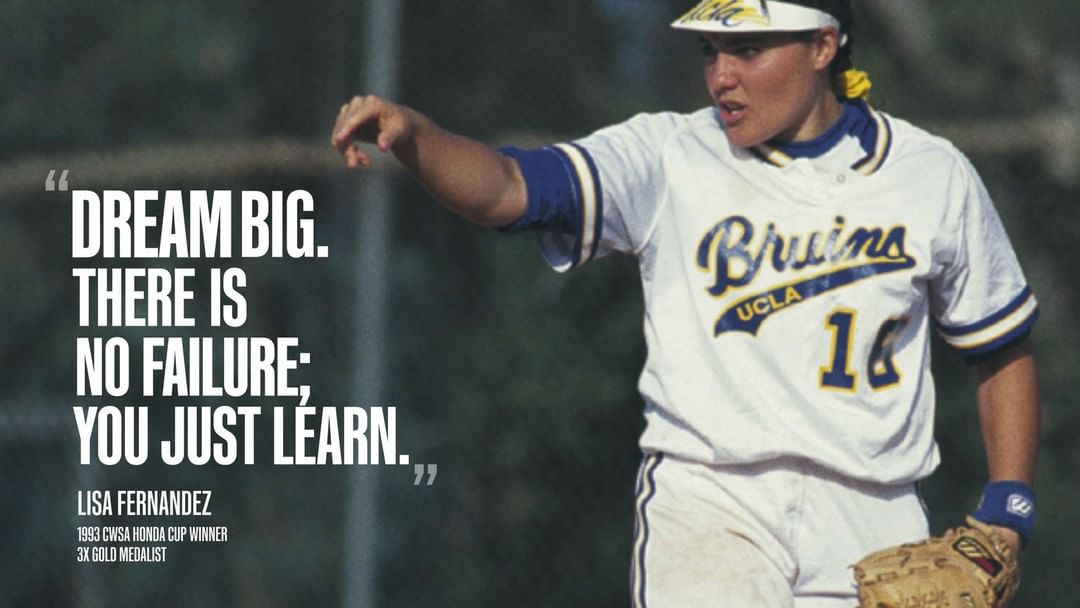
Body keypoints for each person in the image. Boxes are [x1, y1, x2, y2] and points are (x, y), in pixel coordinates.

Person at [330, 1, 1041, 605]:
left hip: (873, 514)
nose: (721, 75)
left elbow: (1000, 346)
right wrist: (417, 139)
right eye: (711, 51)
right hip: (713, 503)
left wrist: (1008, 510)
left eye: (748, 50)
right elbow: (507, 188)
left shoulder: (929, 175)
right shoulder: (669, 155)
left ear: (823, 46)